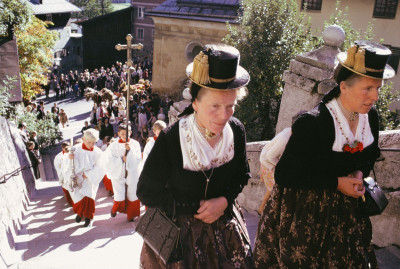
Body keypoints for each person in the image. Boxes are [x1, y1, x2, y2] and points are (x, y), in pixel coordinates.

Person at [253, 41, 395, 268]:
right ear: (344, 86)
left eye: (378, 88)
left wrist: (359, 173)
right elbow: (286, 175)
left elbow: (369, 155)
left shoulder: (371, 117)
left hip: (347, 215)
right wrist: (337, 183)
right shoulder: (314, 122)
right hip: (305, 212)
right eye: (367, 89)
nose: (375, 96)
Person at [137, 44, 253, 268]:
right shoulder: (172, 139)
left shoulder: (236, 131)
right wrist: (191, 208)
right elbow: (146, 192)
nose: (223, 116)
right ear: (195, 103)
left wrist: (224, 201)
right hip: (179, 239)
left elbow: (242, 175)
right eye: (215, 106)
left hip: (226, 234)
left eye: (231, 106)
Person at [64, 129, 105, 227]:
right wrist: (69, 158)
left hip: (89, 179)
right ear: (83, 139)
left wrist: (88, 174)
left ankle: (88, 218)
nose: (91, 145)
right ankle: (80, 213)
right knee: (78, 198)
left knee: (88, 198)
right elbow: (66, 162)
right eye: (89, 142)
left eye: (94, 143)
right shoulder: (75, 149)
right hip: (77, 178)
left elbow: (100, 166)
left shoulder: (98, 152)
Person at [105, 124, 141, 221]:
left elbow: (138, 159)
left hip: (132, 173)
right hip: (118, 173)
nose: (125, 135)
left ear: (131, 132)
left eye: (127, 133)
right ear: (118, 134)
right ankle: (115, 209)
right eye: (123, 134)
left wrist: (130, 152)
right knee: (119, 194)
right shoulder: (113, 146)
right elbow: (108, 159)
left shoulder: (135, 144)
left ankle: (131, 215)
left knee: (132, 194)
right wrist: (121, 159)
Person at [54, 141, 74, 206]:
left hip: (72, 175)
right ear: (62, 148)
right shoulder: (58, 157)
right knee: (66, 190)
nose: (67, 149)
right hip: (63, 175)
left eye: (69, 147)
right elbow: (57, 167)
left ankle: (75, 204)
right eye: (66, 148)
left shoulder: (72, 153)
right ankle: (71, 203)